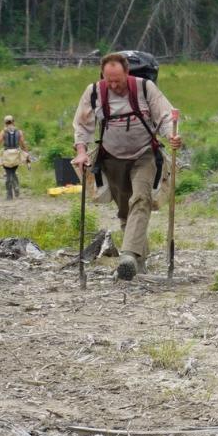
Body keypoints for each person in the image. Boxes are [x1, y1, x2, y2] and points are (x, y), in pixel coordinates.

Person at [72, 53, 182, 280]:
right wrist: (81, 153)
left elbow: (165, 116)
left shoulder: (145, 88)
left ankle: (128, 255)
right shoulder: (94, 92)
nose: (113, 85)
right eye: (109, 80)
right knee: (125, 212)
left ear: (127, 72)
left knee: (140, 200)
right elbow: (82, 124)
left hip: (144, 154)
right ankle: (138, 264)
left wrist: (172, 136)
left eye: (118, 80)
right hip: (111, 158)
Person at [0, 115, 31, 200]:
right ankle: (16, 187)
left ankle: (9, 194)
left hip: (7, 155)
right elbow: (23, 145)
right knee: (13, 171)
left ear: (5, 123)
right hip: (16, 155)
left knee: (8, 174)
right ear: (13, 122)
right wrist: (27, 156)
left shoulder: (3, 132)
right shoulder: (19, 132)